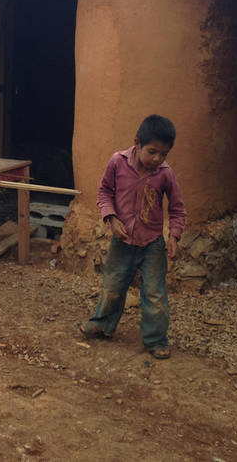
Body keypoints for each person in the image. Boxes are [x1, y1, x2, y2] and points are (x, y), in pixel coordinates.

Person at [80, 114, 187, 359]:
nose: (157, 159)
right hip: (122, 241)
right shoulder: (117, 162)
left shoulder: (165, 174)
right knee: (112, 286)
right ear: (137, 143)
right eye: (152, 152)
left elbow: (178, 208)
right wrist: (111, 218)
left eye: (164, 154)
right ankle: (102, 324)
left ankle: (156, 339)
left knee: (155, 294)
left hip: (152, 244)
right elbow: (105, 192)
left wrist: (174, 236)